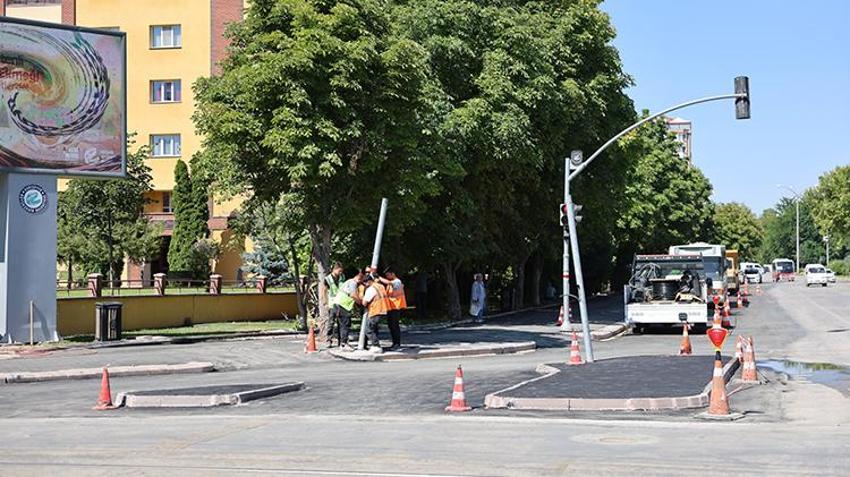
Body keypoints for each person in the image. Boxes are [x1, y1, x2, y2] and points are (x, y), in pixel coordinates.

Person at [332, 268, 364, 351]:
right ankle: (344, 344)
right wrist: (361, 303)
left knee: (341, 325)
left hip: (338, 305)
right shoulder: (353, 282)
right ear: (357, 276)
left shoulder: (347, 282)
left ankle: (341, 343)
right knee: (345, 325)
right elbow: (353, 295)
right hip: (343, 306)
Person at [361, 272, 389, 353]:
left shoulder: (371, 289)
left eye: (365, 283)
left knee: (368, 329)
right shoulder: (380, 286)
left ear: (369, 281)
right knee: (374, 329)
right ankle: (375, 345)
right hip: (383, 310)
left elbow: (365, 302)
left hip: (375, 310)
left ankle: (376, 346)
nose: (365, 285)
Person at [379, 268, 406, 350]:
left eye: (388, 275)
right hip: (391, 308)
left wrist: (379, 277)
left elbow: (389, 283)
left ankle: (397, 344)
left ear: (393, 273)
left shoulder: (397, 281)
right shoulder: (390, 283)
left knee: (394, 326)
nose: (387, 277)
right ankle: (395, 343)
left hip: (396, 307)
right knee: (391, 326)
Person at [321, 262, 345, 345]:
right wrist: (325, 303)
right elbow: (324, 291)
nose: (340, 273)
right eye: (339, 271)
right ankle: (329, 340)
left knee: (341, 323)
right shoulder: (328, 279)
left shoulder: (342, 277)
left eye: (341, 271)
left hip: (341, 303)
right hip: (332, 304)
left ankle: (341, 340)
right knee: (331, 323)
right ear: (334, 269)